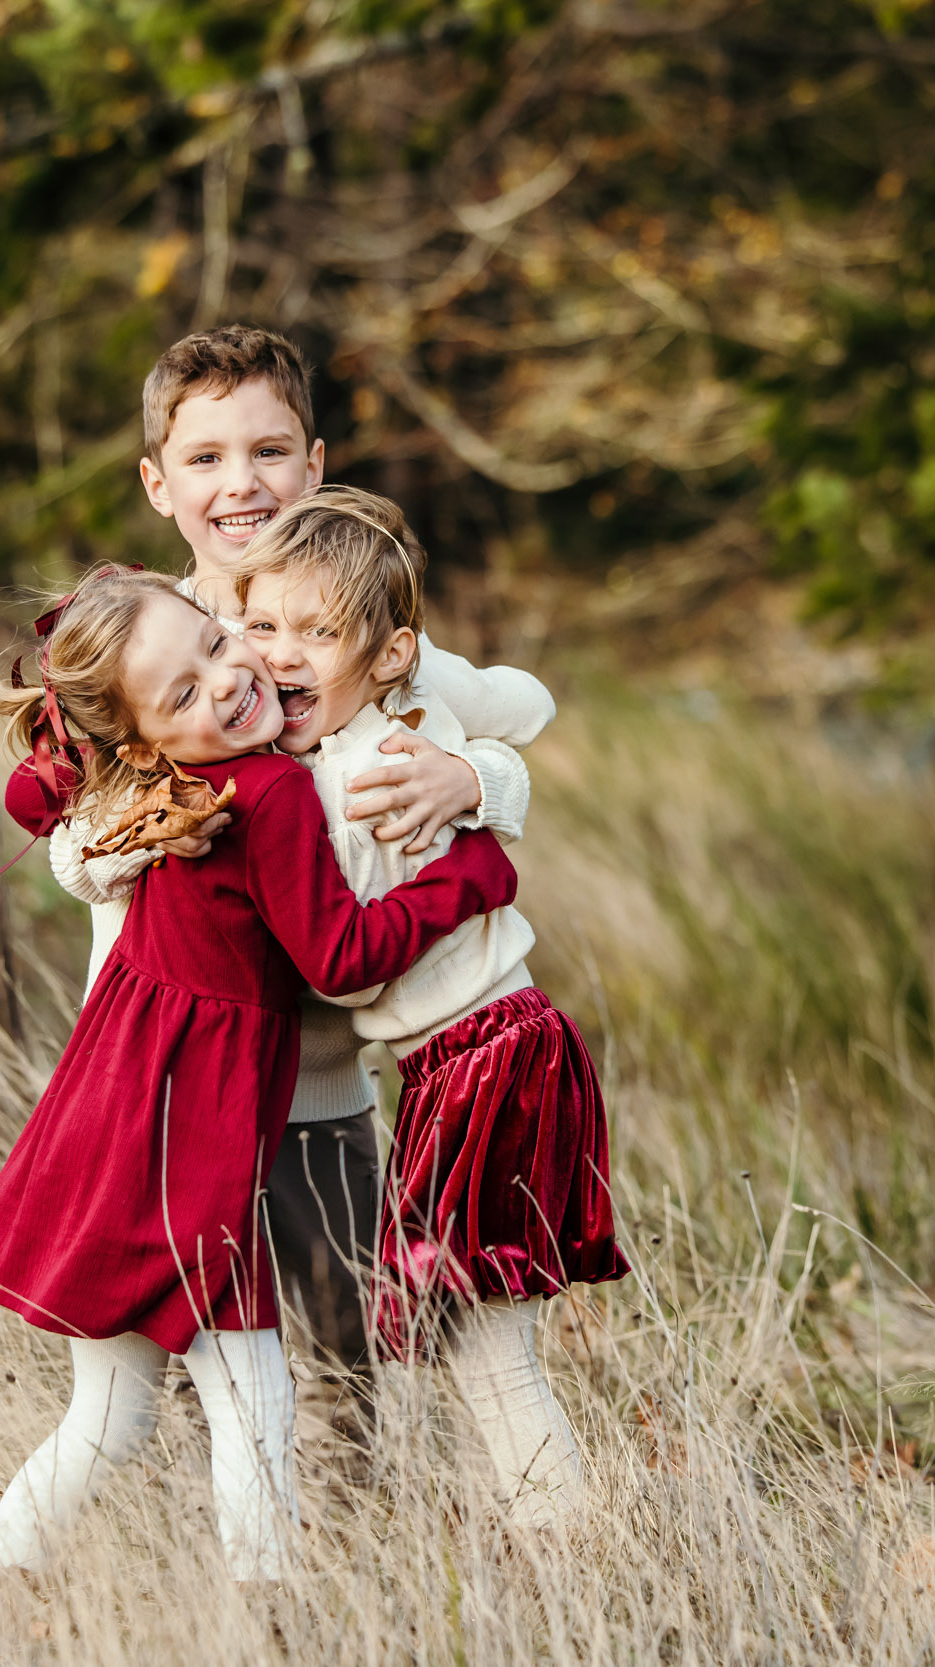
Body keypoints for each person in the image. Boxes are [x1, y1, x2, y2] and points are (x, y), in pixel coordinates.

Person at [8, 325, 553, 1377]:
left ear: (315, 466)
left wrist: (476, 782)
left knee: (342, 1361)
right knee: (161, 1362)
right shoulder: (140, 642)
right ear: (158, 483)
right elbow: (68, 838)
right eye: (206, 458)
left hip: (316, 1081)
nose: (241, 483)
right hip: (166, 1072)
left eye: (268, 452)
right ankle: (186, 1540)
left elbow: (500, 717)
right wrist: (125, 831)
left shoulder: (354, 621)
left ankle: (343, 1533)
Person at [0, 567, 518, 1579]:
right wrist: (465, 877)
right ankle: (262, 1614)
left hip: (114, 1123)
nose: (223, 681)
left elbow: (37, 795)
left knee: (113, 1411)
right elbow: (339, 958)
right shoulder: (265, 792)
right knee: (250, 1400)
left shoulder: (180, 784)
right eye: (181, 693)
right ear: (143, 740)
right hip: (185, 1145)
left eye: (217, 644)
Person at [233, 486, 629, 1531]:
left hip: (481, 1060)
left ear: (390, 652)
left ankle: (576, 1555)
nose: (283, 653)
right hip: (502, 1045)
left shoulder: (356, 782)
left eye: (319, 632)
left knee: (489, 1357)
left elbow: (353, 975)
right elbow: (502, 710)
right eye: (264, 625)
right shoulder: (407, 724)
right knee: (482, 1347)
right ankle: (566, 1544)